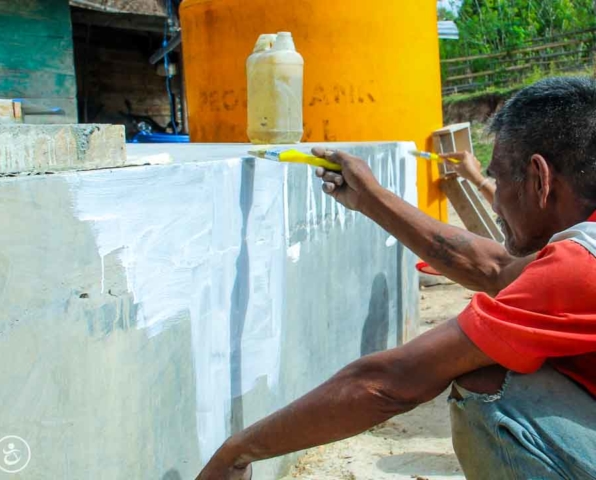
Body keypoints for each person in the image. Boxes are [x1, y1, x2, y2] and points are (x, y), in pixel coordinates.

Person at [196, 76, 596, 480]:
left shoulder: (578, 268)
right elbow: (492, 268)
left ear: (539, 179)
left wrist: (236, 451)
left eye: (499, 181)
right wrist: (370, 197)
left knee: (489, 386)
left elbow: (391, 381)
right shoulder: (586, 244)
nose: (493, 200)